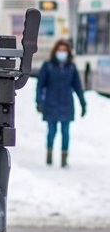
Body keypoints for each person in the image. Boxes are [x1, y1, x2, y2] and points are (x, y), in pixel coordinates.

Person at [36, 39, 86, 167]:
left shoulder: (71, 67)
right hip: (51, 103)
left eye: (64, 50)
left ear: (68, 52)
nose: (62, 52)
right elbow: (40, 85)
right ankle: (49, 155)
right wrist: (39, 101)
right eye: (60, 50)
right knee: (51, 131)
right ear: (55, 51)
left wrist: (83, 103)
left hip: (66, 104)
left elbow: (78, 87)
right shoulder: (48, 66)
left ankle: (64, 158)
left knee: (65, 132)